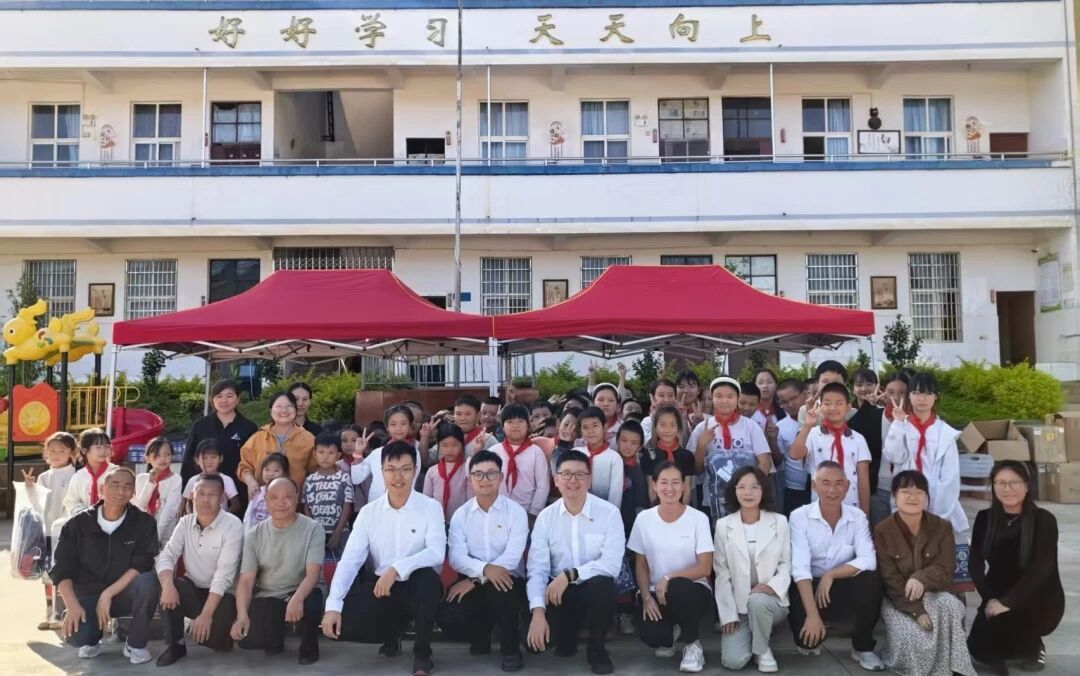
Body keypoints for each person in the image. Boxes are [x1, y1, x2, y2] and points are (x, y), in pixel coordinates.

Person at [322, 441, 446, 676]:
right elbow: (350, 561)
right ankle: (392, 633)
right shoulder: (368, 513)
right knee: (341, 625)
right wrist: (333, 605)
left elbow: (436, 552)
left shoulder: (430, 507)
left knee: (427, 580)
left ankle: (422, 653)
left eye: (405, 469)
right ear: (382, 471)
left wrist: (397, 569)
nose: (398, 477)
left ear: (415, 470)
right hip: (383, 587)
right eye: (391, 469)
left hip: (418, 586)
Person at [527, 451, 625, 675]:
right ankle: (567, 633)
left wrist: (570, 574)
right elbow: (537, 569)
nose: (573, 480)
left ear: (589, 480)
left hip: (593, 589)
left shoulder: (609, 513)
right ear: (556, 480)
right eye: (566, 474)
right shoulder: (546, 517)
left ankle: (597, 648)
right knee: (534, 645)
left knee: (603, 585)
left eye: (580, 474)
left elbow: (611, 565)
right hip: (558, 593)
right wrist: (538, 613)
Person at [50, 466, 161, 664]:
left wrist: (108, 594)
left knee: (148, 581)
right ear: (102, 489)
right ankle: (91, 639)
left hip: (124, 593)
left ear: (133, 492)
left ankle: (135, 644)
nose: (121, 491)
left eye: (127, 486)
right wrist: (72, 606)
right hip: (88, 594)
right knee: (77, 637)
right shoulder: (77, 524)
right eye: (114, 485)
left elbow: (142, 564)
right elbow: (61, 569)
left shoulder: (144, 523)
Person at [967, 461, 1064, 674]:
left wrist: (1007, 603)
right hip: (997, 590)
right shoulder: (984, 518)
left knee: (1024, 653)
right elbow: (975, 563)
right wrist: (989, 598)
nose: (1007, 488)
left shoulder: (1044, 520)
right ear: (993, 486)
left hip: (1037, 594)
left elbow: (1041, 568)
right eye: (1000, 483)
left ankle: (1034, 645)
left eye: (1014, 482)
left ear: (1027, 486)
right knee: (981, 652)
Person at [874, 470, 975, 676]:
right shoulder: (883, 530)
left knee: (950, 606)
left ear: (926, 497)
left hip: (935, 592)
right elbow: (890, 578)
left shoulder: (942, 527)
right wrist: (916, 611)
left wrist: (920, 578)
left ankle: (956, 668)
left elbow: (945, 567)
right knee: (915, 637)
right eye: (905, 492)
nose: (913, 497)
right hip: (899, 599)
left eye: (919, 492)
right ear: (894, 496)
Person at [787, 461, 884, 671]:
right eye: (825, 483)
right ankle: (817, 621)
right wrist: (812, 616)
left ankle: (863, 647)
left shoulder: (857, 516)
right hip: (810, 587)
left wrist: (831, 574)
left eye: (839, 483)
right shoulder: (799, 516)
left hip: (842, 583)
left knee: (871, 578)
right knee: (807, 644)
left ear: (848, 487)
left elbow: (868, 559)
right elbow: (800, 568)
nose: (832, 490)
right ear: (814, 486)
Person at [440, 450, 529, 672]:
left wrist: (479, 579)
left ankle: (510, 649)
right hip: (471, 578)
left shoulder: (515, 512)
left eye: (491, 473)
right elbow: (457, 557)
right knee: (448, 614)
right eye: (478, 474)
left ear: (501, 477)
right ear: (470, 479)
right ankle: (480, 635)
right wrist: (484, 572)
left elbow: (513, 556)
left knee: (501, 591)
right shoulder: (461, 515)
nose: (485, 479)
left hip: (508, 579)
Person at [629, 461, 714, 673]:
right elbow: (641, 563)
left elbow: (705, 568)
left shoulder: (698, 519)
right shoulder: (644, 519)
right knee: (654, 637)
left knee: (678, 587)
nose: (670, 488)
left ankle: (693, 644)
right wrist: (646, 597)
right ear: (654, 486)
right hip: (655, 593)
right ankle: (674, 630)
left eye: (675, 482)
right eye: (664, 482)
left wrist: (669, 577)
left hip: (693, 590)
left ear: (684, 486)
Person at [231, 477, 324, 665]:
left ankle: (309, 648)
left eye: (287, 497)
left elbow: (313, 573)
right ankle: (279, 632)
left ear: (297, 497)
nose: (281, 503)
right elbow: (246, 579)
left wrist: (297, 598)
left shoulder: (313, 529)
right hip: (270, 595)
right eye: (274, 498)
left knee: (313, 599)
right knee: (252, 642)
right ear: (266, 501)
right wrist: (241, 615)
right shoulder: (254, 534)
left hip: (301, 591)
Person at [155, 473, 245, 666]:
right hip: (193, 588)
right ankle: (176, 645)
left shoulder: (233, 525)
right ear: (192, 496)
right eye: (200, 493)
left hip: (223, 595)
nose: (205, 499)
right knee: (168, 586)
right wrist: (168, 586)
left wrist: (206, 615)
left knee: (218, 644)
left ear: (222, 498)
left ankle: (196, 625)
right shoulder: (185, 522)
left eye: (212, 494)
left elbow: (224, 576)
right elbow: (167, 555)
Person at [714, 466, 791, 673]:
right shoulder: (723, 525)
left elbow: (785, 563)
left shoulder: (779, 522)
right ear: (734, 490)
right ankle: (756, 632)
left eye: (754, 487)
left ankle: (762, 650)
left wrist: (771, 587)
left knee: (758, 601)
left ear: (763, 490)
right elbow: (721, 572)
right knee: (733, 661)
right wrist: (727, 615)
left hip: (770, 601)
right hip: (739, 605)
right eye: (741, 487)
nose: (748, 492)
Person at [883, 372, 967, 538]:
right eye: (916, 393)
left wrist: (937, 515)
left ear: (936, 396)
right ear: (909, 396)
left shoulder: (945, 433)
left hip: (937, 504)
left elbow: (949, 478)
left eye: (928, 393)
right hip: (906, 498)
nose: (922, 399)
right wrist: (898, 424)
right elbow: (894, 456)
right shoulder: (902, 426)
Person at [691, 377, 772, 520]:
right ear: (712, 398)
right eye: (718, 396)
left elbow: (764, 462)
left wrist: (751, 489)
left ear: (738, 399)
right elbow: (697, 471)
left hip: (747, 499)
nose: (724, 401)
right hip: (713, 500)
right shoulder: (703, 428)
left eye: (730, 396)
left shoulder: (751, 426)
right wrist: (701, 446)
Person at [789, 382, 872, 516]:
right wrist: (807, 425)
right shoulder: (812, 434)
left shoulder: (858, 439)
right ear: (820, 406)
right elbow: (795, 454)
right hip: (820, 507)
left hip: (852, 507)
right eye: (827, 403)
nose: (833, 408)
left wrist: (865, 515)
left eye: (839, 403)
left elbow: (863, 480)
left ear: (848, 407)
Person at [23, 431, 78, 631]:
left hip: (68, 533)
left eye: (61, 451)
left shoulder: (76, 475)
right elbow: (36, 504)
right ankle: (49, 612)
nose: (56, 455)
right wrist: (30, 487)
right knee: (47, 574)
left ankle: (63, 612)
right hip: (47, 532)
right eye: (52, 450)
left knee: (64, 573)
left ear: (72, 452)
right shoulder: (44, 477)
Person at [182, 379, 258, 497]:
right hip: (204, 492)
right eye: (219, 396)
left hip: (238, 492)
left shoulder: (248, 427)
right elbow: (188, 460)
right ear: (212, 399)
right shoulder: (200, 426)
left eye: (229, 396)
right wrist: (185, 493)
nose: (224, 400)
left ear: (238, 398)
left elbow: (253, 462)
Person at [237, 391, 315, 500]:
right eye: (279, 406)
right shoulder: (258, 437)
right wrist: (251, 481)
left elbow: (316, 469)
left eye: (289, 406)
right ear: (270, 410)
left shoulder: (308, 439)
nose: (284, 410)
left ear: (295, 410)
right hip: (262, 502)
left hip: (294, 502)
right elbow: (244, 467)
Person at [351, 405, 423, 505]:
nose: (398, 428)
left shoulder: (414, 453)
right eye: (393, 424)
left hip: (405, 506)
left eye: (403, 423)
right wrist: (358, 452)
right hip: (376, 507)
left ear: (410, 425)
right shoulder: (377, 453)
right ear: (387, 427)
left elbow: (410, 482)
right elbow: (356, 479)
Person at [493, 404, 550, 519]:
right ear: (502, 427)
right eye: (510, 422)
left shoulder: (536, 452)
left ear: (528, 425)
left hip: (527, 512)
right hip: (497, 512)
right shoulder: (493, 452)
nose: (515, 426)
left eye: (520, 421)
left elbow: (542, 485)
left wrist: (533, 513)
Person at [302, 432, 354, 557]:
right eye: (321, 452)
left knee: (341, 563)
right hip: (316, 533)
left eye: (331, 453)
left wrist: (337, 533)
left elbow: (347, 506)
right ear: (314, 454)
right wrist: (313, 532)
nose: (325, 457)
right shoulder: (309, 480)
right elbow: (306, 507)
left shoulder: (344, 478)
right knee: (318, 564)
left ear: (338, 455)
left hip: (340, 532)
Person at [848, 369, 886, 522]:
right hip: (852, 480)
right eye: (859, 385)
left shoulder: (883, 413)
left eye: (869, 384)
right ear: (852, 388)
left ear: (877, 386)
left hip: (876, 480)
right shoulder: (847, 413)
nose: (864, 389)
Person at [872, 372, 909, 525]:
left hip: (906, 488)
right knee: (880, 533)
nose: (896, 397)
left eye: (902, 392)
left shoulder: (914, 421)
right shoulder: (874, 417)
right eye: (891, 392)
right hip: (879, 488)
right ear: (883, 392)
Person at [132, 436, 182, 546]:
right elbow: (140, 505)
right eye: (158, 455)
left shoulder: (176, 479)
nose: (163, 459)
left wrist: (157, 535)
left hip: (166, 535)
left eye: (167, 454)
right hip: (143, 533)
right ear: (147, 458)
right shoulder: (141, 478)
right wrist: (150, 482)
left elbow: (170, 510)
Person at [641, 404, 695, 505]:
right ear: (655, 428)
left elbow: (687, 489)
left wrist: (683, 510)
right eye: (662, 425)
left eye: (672, 425)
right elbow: (651, 489)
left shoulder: (687, 456)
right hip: (657, 509)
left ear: (679, 428)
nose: (667, 430)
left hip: (682, 508)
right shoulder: (649, 454)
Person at [574, 406, 623, 508]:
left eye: (595, 426)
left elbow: (615, 494)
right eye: (585, 427)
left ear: (604, 428)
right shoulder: (575, 453)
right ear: (580, 431)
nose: (590, 431)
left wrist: (610, 514)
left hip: (604, 510)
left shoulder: (614, 458)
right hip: (577, 507)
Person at [62, 428, 117, 517]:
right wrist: (85, 513)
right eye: (98, 447)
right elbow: (71, 502)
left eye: (107, 446)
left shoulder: (116, 472)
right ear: (84, 451)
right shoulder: (79, 476)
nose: (103, 451)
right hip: (85, 520)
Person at [775, 379, 809, 516]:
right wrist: (771, 439)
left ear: (805, 394)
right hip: (794, 489)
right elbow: (779, 461)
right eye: (784, 402)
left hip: (820, 487)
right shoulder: (780, 427)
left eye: (794, 398)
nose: (790, 404)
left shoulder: (821, 420)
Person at [182, 440, 240, 515]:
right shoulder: (192, 480)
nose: (209, 461)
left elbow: (236, 505)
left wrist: (223, 518)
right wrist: (193, 517)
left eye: (213, 457)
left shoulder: (226, 480)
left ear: (221, 458)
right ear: (197, 460)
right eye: (204, 458)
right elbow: (189, 502)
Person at [244, 452, 289, 532]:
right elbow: (248, 516)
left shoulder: (286, 494)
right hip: (254, 534)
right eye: (267, 469)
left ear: (284, 473)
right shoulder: (257, 491)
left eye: (276, 470)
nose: (270, 474)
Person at [641, 378, 678, 443]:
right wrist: (654, 418)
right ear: (653, 397)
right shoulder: (647, 422)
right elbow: (648, 444)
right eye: (661, 395)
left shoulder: (681, 419)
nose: (666, 400)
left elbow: (686, 444)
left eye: (670, 395)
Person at [591, 383, 623, 447]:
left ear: (618, 407)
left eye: (611, 400)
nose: (605, 404)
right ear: (592, 404)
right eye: (601, 400)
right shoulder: (583, 426)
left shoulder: (624, 429)